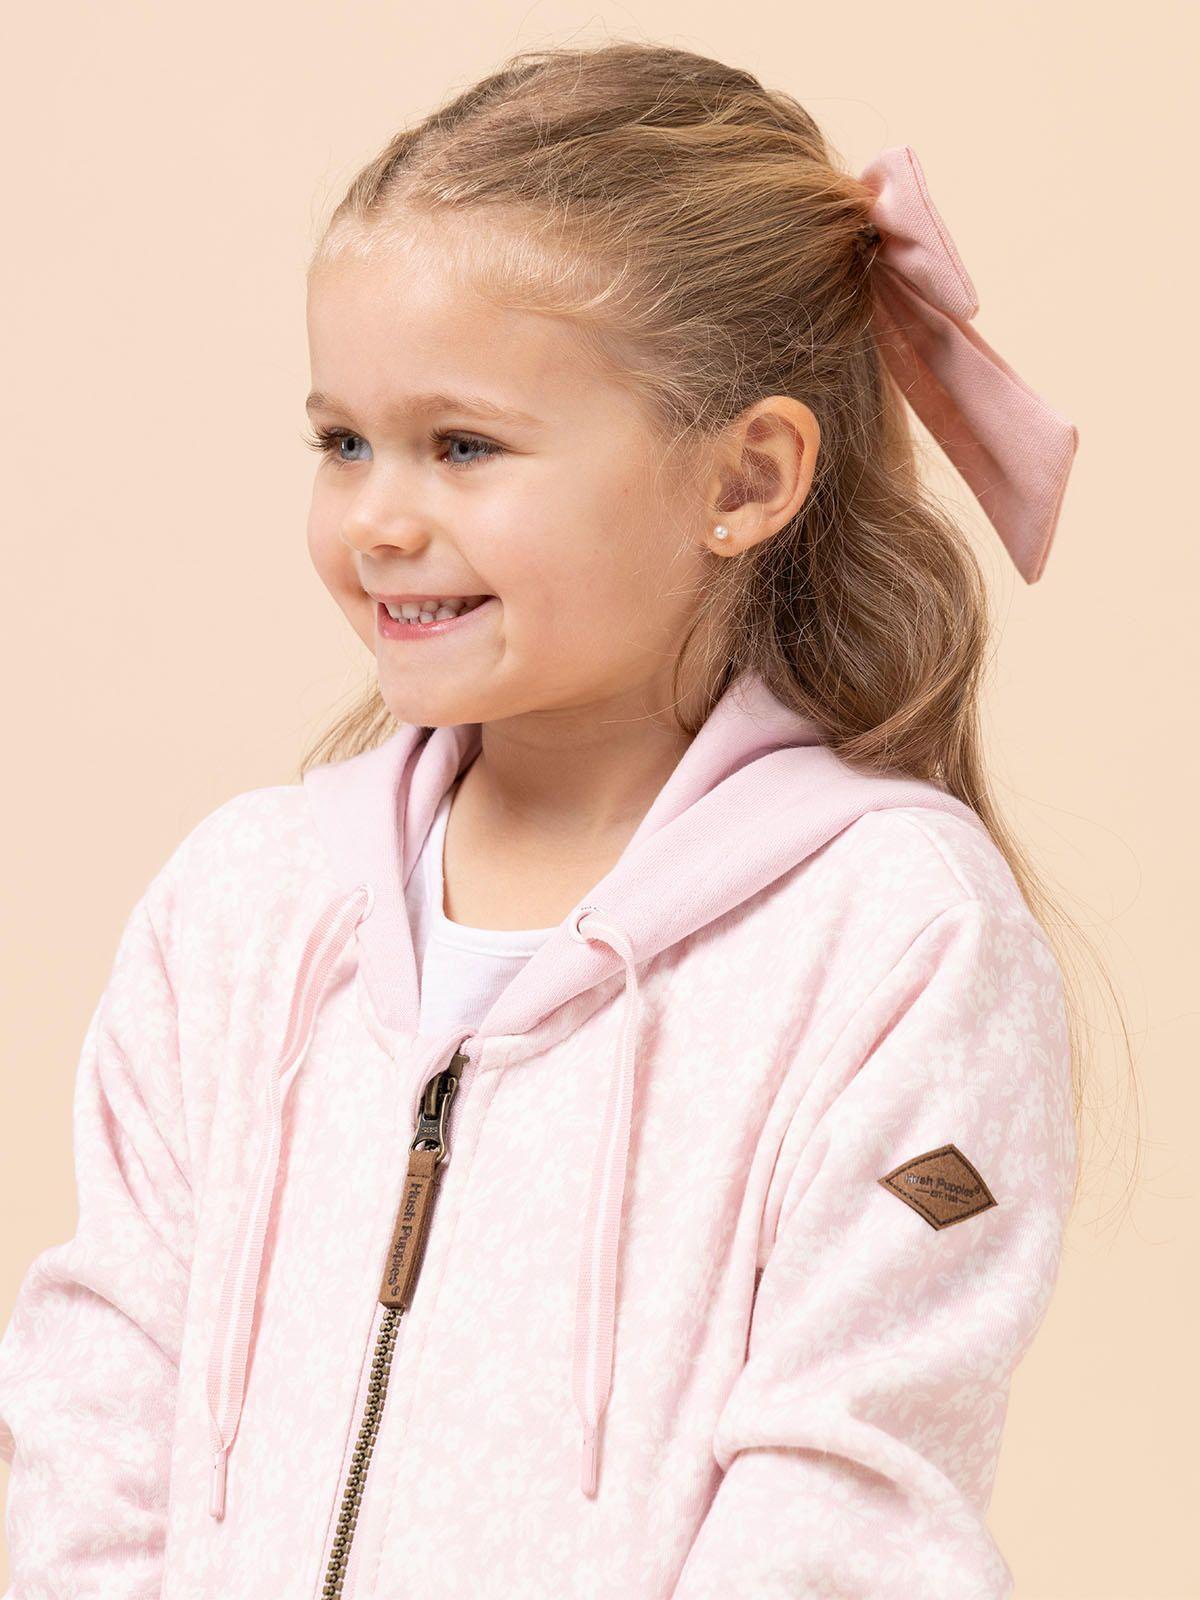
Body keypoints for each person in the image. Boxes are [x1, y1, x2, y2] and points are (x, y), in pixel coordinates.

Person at [0, 40, 1093, 1599]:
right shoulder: (241, 909)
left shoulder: (896, 940)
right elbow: (95, 1420)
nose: (379, 518)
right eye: (343, 442)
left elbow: (846, 1514)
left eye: (463, 446)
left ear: (747, 478)